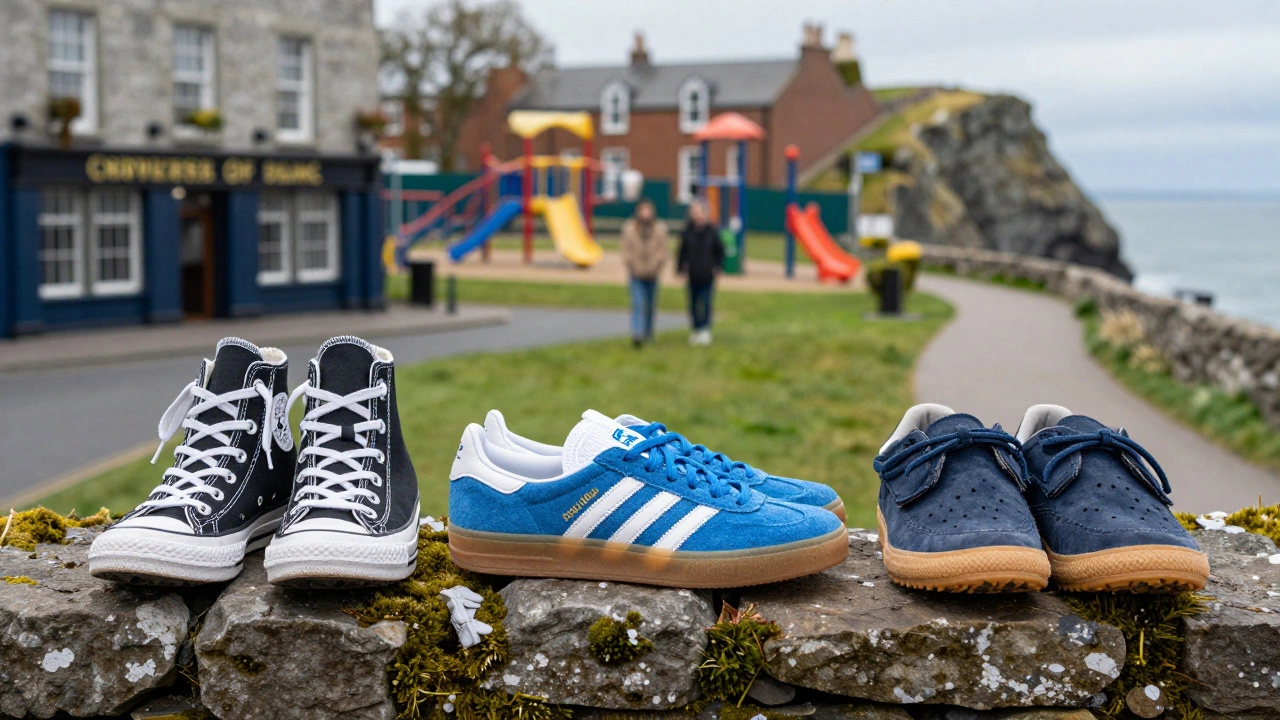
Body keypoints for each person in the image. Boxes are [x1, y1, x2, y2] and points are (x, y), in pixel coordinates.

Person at [619, 199, 669, 347]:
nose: (645, 214)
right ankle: (637, 333)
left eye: (648, 211)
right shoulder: (630, 229)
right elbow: (625, 249)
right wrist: (632, 264)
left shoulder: (659, 230)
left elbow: (663, 250)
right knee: (638, 303)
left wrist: (657, 264)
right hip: (636, 273)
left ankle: (648, 332)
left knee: (650, 305)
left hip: (652, 273)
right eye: (643, 211)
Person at [677, 199, 725, 346]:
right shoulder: (687, 232)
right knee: (692, 304)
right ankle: (696, 329)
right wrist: (680, 269)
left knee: (706, 302)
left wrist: (717, 267)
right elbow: (682, 252)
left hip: (707, 274)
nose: (697, 215)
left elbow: (720, 250)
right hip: (692, 274)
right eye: (695, 212)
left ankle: (705, 329)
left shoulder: (712, 232)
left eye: (700, 212)